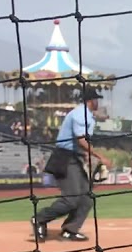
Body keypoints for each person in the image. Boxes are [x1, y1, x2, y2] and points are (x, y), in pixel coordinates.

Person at [31, 87, 112, 242]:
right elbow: (81, 139)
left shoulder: (88, 116)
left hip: (74, 157)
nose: (98, 102)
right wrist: (100, 156)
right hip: (64, 158)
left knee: (86, 198)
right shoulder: (80, 114)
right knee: (71, 199)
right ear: (90, 100)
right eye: (96, 99)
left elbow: (80, 143)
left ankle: (70, 230)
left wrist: (86, 155)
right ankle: (39, 219)